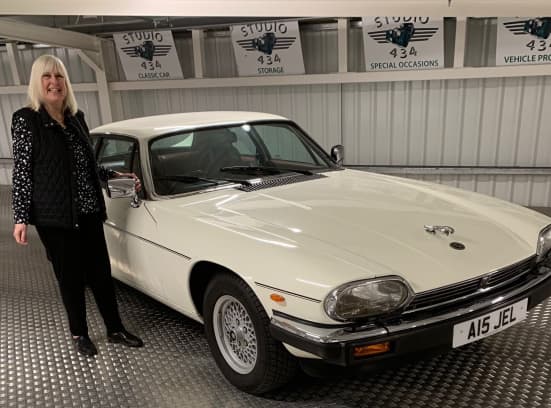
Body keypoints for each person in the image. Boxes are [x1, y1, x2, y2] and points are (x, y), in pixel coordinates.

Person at [11, 54, 144, 357]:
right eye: (47, 77)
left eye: (59, 77)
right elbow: (22, 171)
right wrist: (20, 217)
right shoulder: (26, 120)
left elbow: (89, 167)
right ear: (37, 82)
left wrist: (114, 176)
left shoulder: (76, 118)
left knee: (100, 272)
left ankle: (114, 329)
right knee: (70, 277)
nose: (54, 83)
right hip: (55, 217)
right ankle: (79, 333)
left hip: (88, 211)